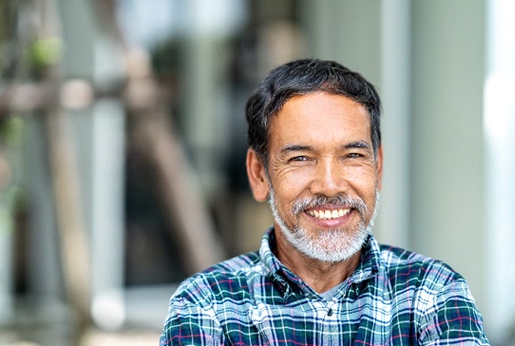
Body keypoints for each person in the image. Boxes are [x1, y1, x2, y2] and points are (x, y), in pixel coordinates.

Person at [160, 59, 489, 345]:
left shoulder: (433, 292)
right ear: (259, 175)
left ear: (378, 167)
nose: (329, 185)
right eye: (301, 158)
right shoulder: (207, 305)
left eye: (352, 155)